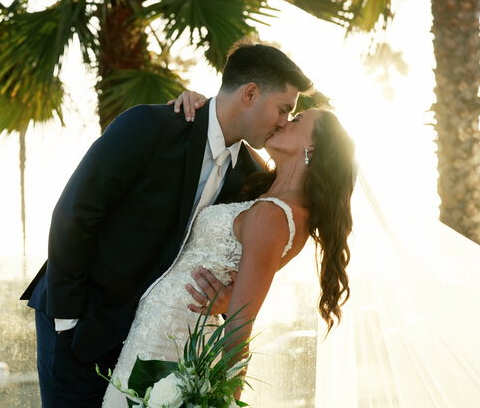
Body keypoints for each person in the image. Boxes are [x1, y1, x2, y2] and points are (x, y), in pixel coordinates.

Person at [20, 43, 313, 407]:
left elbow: (246, 261)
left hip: (154, 346)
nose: (285, 122)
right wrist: (67, 321)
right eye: (284, 109)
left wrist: (226, 302)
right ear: (250, 94)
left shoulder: (250, 177)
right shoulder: (150, 125)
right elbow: (74, 212)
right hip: (81, 325)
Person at [102, 106, 357, 407]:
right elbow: (225, 125)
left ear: (311, 147)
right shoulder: (269, 192)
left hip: (171, 339)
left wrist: (228, 399)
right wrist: (199, 103)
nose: (285, 121)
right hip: (161, 327)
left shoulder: (275, 216)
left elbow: (239, 325)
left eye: (297, 120)